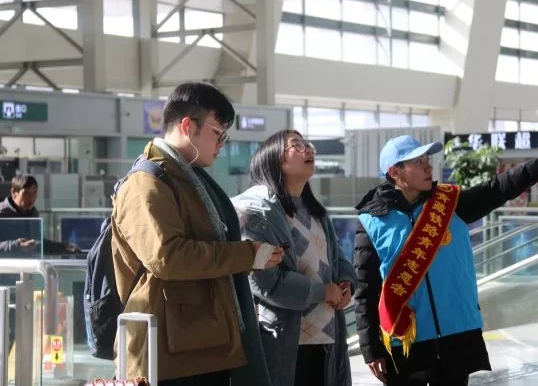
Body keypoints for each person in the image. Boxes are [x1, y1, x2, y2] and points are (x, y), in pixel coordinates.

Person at [353, 132, 538, 386]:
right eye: (418, 161)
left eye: (427, 159)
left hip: (456, 338)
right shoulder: (371, 222)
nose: (428, 166)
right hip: (405, 344)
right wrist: (370, 349)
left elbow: (501, 187)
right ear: (395, 172)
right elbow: (366, 291)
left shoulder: (450, 204)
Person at [110, 82, 284, 386]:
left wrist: (250, 256)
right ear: (188, 126)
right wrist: (246, 255)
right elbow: (168, 258)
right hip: (168, 352)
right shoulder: (146, 183)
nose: (222, 144)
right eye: (218, 133)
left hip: (196, 342)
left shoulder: (189, 178)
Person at [232, 130, 357, 386]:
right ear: (274, 158)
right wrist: (322, 292)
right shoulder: (257, 211)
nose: (308, 149)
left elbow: (337, 257)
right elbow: (265, 282)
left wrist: (346, 283)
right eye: (296, 145)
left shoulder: (315, 211)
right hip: (282, 340)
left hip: (326, 339)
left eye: (308, 144)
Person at [0, 174, 79, 255]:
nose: (31, 197)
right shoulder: (2, 213)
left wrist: (62, 247)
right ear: (14, 192)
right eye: (26, 193)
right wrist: (17, 246)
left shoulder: (33, 214)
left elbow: (38, 244)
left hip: (29, 262)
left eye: (34, 192)